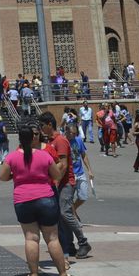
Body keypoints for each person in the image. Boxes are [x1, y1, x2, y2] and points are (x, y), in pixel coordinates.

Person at [0, 125, 71, 276]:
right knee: (52, 238)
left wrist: (15, 175)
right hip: (45, 197)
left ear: (19, 139)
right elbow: (57, 174)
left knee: (31, 238)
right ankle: (63, 275)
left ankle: (34, 275)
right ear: (33, 138)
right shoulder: (44, 155)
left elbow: (2, 177)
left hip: (23, 200)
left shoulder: (11, 157)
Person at [39, 111, 92, 260]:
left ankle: (83, 242)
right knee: (61, 216)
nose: (41, 128)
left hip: (66, 182)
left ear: (50, 124)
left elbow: (63, 165)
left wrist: (55, 183)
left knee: (65, 213)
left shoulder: (60, 140)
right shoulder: (49, 141)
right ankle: (69, 245)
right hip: (57, 182)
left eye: (42, 125)